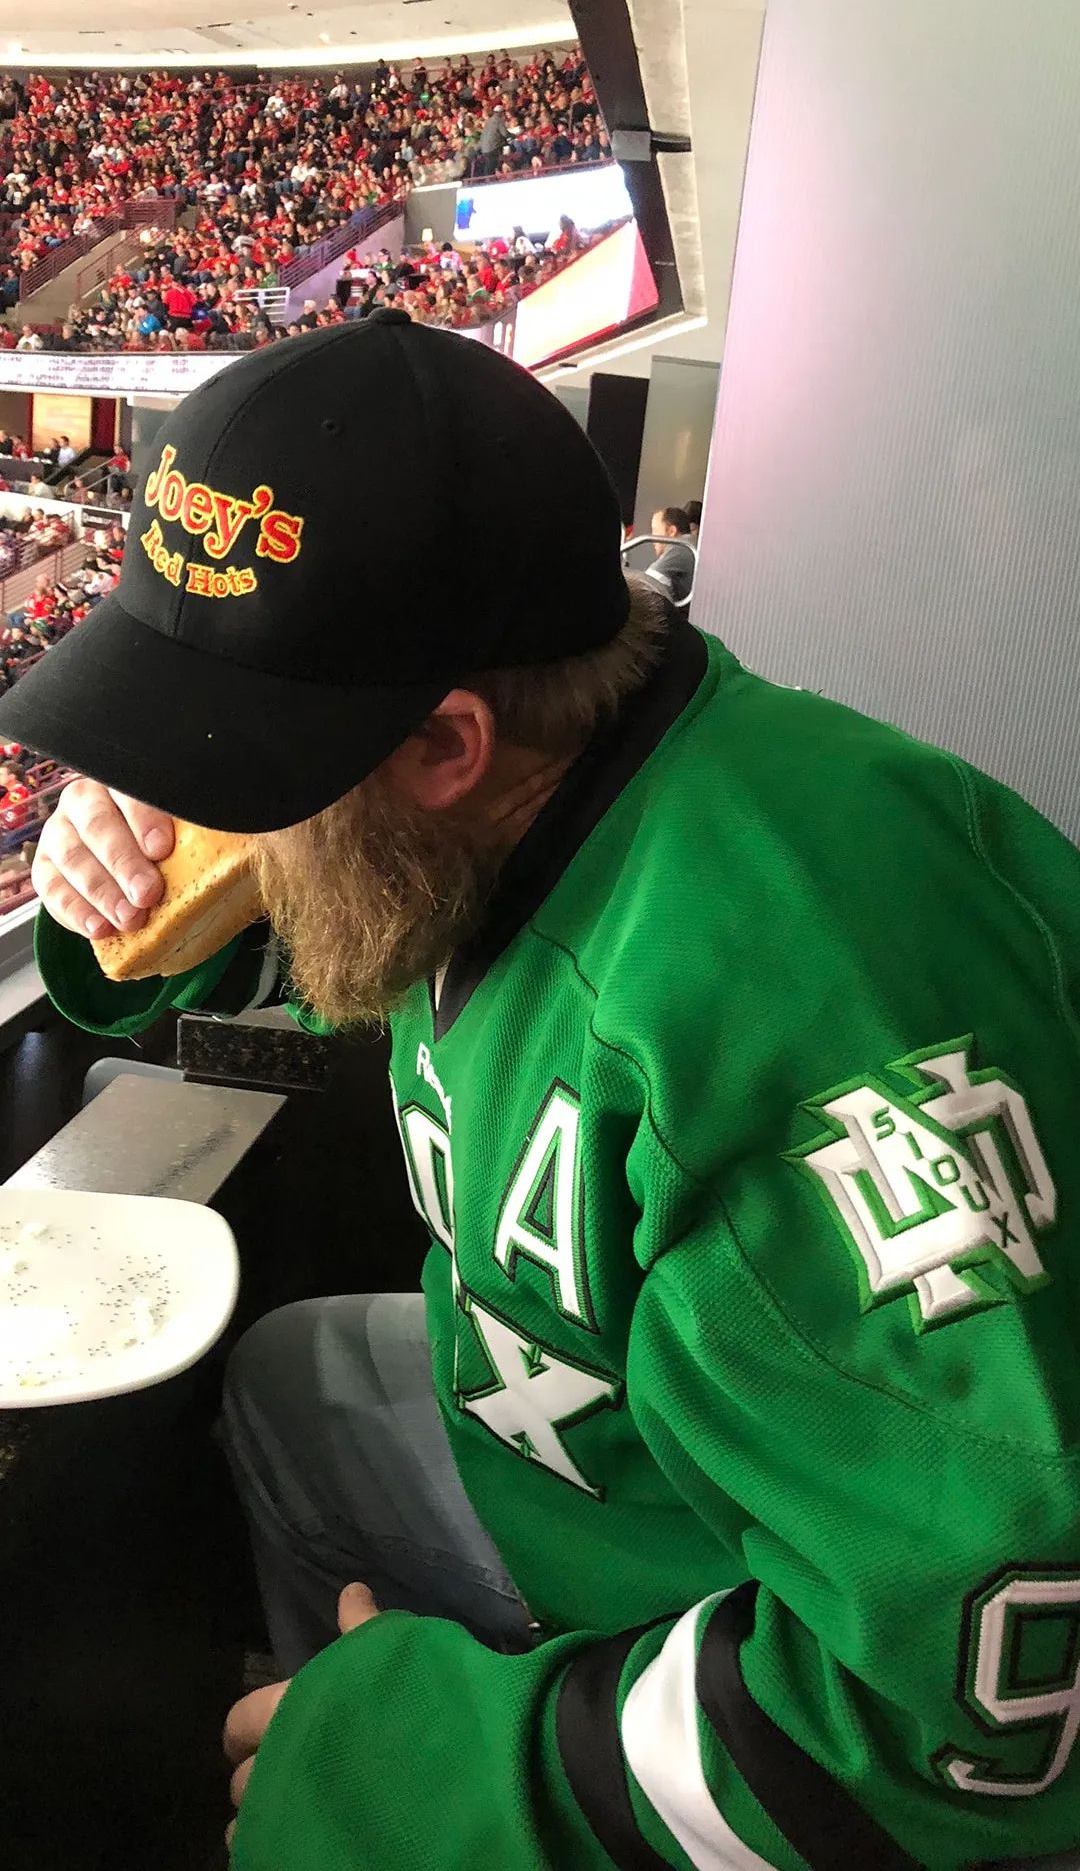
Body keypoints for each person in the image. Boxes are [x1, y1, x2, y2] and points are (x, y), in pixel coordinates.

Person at [6, 316, 1080, 1871]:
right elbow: (345, 943)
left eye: (251, 757)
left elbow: (979, 1713)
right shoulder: (518, 802)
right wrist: (112, 895)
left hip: (798, 1623)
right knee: (303, 1387)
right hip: (621, 1468)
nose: (199, 793)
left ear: (445, 747)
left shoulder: (806, 1006)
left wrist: (448, 1777)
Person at [645, 504, 695, 610]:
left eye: (655, 530)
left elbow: (648, 581)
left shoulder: (682, 547)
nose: (651, 537)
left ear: (672, 531)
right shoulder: (689, 544)